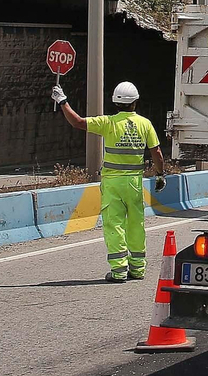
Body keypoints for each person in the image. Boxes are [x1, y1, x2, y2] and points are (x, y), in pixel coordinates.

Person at [51, 80, 166, 282]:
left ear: (115, 102)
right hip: (134, 184)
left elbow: (77, 122)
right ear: (135, 102)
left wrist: (63, 101)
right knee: (136, 224)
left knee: (114, 225)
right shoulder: (145, 124)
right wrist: (160, 174)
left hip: (113, 184)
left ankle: (119, 270)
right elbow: (156, 151)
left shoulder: (108, 123)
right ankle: (138, 268)